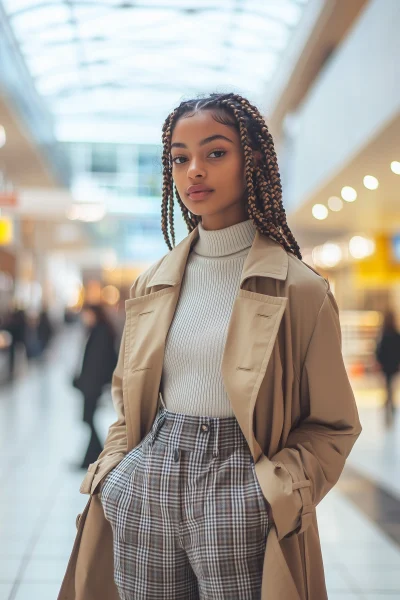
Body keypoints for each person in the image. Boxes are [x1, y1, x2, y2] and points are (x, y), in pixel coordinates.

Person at [59, 92, 361, 600]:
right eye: (180, 157)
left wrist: (272, 494)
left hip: (244, 485)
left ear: (254, 159)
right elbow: (125, 399)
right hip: (148, 484)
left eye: (215, 152)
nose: (194, 170)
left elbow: (334, 424)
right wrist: (116, 475)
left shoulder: (300, 290)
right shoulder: (151, 282)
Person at [72, 304, 118, 469]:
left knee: (90, 419)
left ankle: (94, 457)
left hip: (93, 386)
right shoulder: (98, 331)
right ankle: (92, 457)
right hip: (91, 385)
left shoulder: (101, 333)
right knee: (89, 420)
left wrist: (88, 382)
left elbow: (98, 363)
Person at [376, 309, 400, 426]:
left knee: (388, 384)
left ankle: (388, 401)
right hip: (393, 364)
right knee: (390, 385)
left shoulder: (384, 334)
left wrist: (379, 361)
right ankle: (390, 401)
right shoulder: (396, 333)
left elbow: (379, 350)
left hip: (386, 365)